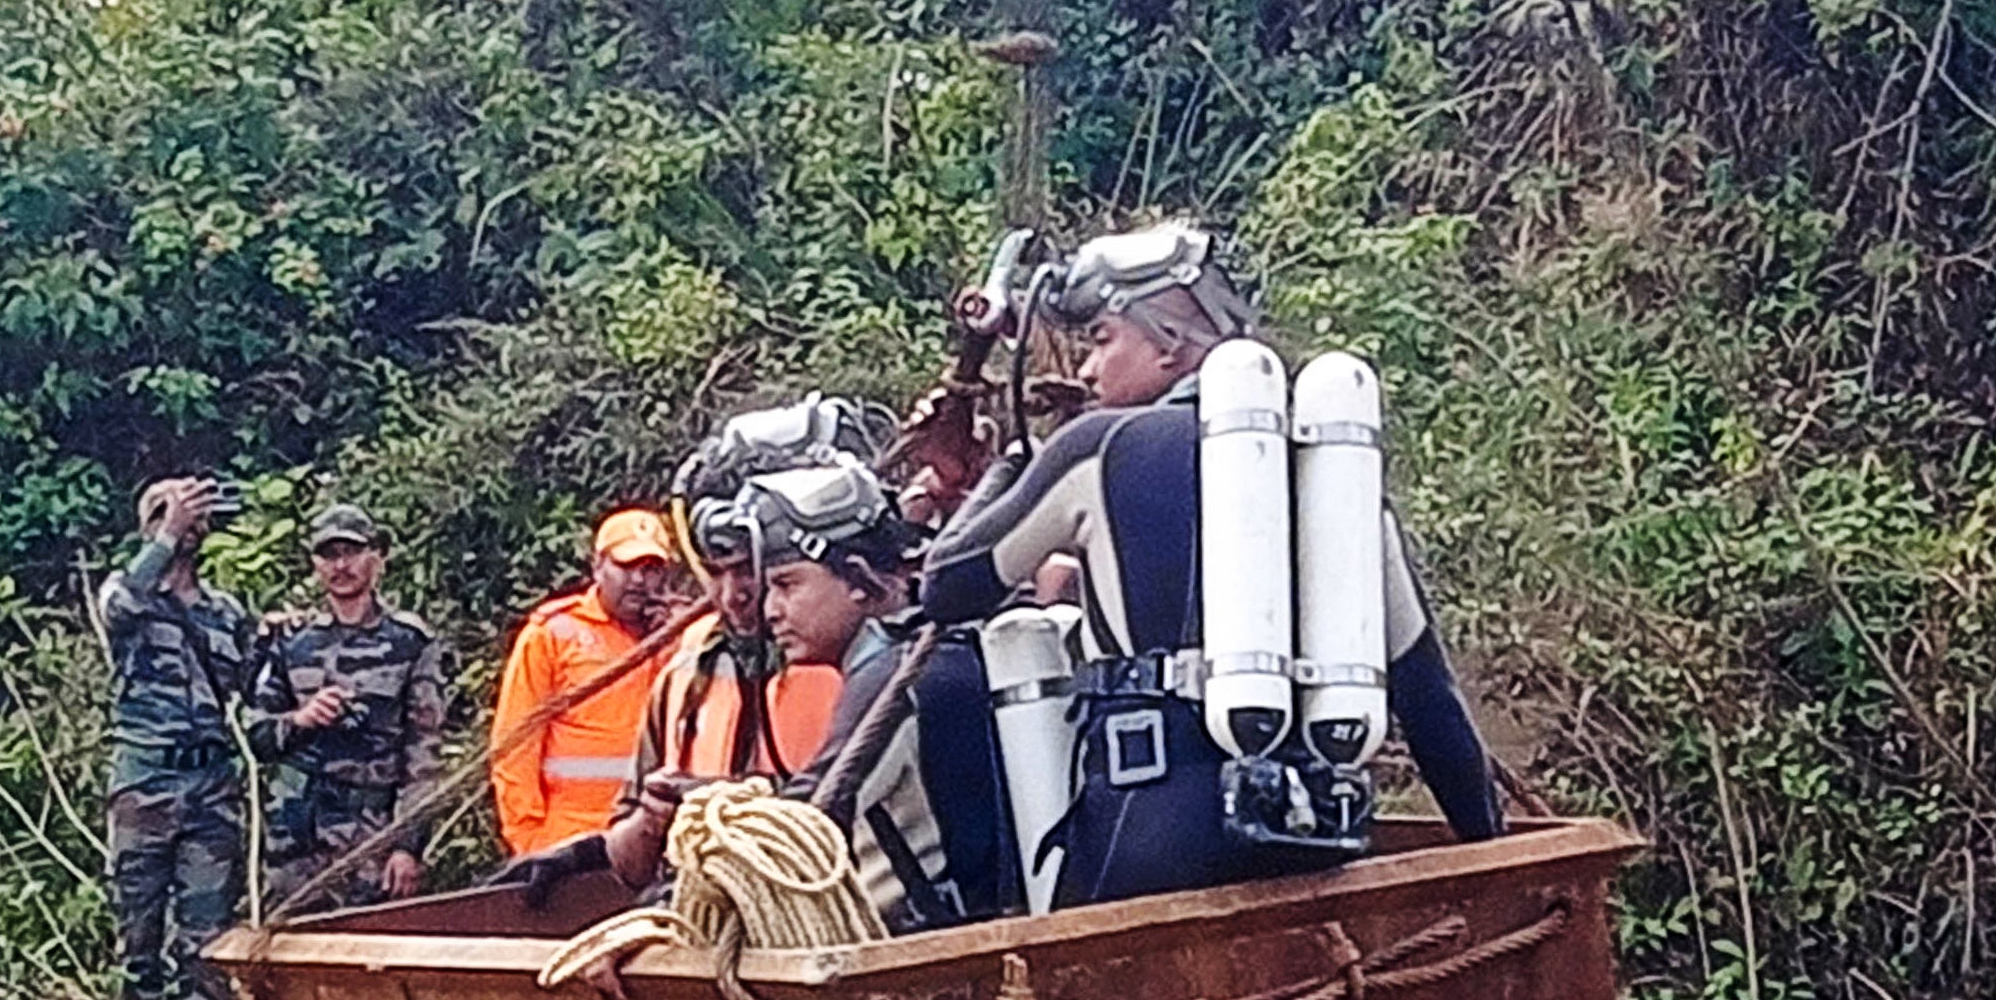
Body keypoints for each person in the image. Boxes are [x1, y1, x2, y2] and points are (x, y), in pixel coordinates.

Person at [910, 222, 1507, 902]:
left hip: (1144, 838)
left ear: (1168, 342)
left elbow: (947, 587)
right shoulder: (1332, 473)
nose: (1084, 369)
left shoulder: (1097, 449)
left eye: (1104, 338)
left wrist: (995, 475)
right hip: (1312, 838)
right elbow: (1428, 696)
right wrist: (1496, 849)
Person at [610, 462, 1020, 933]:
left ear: (858, 578)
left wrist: (655, 924)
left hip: (933, 960)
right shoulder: (932, 651)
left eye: (787, 584)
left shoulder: (895, 677)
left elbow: (800, 831)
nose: (769, 609)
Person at [95, 475, 260, 1000]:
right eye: (170, 513)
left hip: (210, 788)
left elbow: (252, 681)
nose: (187, 522)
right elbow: (119, 608)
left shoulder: (225, 613)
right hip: (145, 785)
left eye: (193, 514)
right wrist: (163, 534)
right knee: (139, 934)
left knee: (206, 939)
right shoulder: (127, 593)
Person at [245, 499, 448, 912]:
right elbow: (256, 739)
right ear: (315, 564)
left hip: (371, 840)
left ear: (376, 557)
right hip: (295, 843)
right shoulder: (292, 641)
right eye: (329, 555)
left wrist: (407, 846)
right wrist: (300, 720)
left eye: (352, 552)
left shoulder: (410, 642)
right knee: (289, 963)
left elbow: (423, 756)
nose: (341, 566)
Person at [482, 506, 699, 862]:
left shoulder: (686, 635)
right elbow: (514, 746)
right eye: (625, 566)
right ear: (598, 566)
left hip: (660, 841)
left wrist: (679, 642)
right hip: (568, 840)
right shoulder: (553, 633)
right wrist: (528, 842)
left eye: (651, 569)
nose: (638, 581)